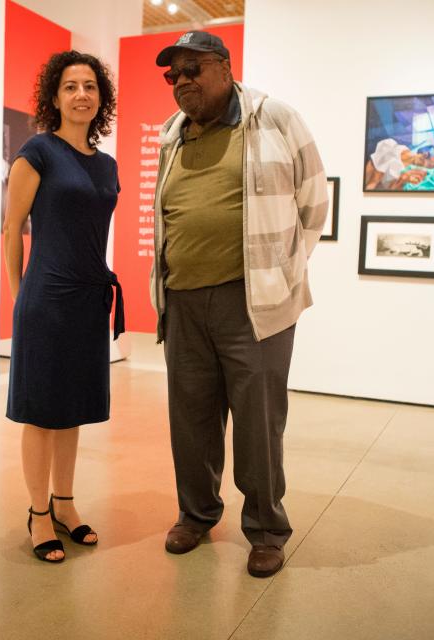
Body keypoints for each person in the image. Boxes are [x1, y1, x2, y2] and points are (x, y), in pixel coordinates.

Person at [150, 31, 329, 578]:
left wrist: (280, 270)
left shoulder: (273, 119)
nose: (182, 81)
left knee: (258, 422)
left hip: (253, 302)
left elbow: (314, 201)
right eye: (172, 74)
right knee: (192, 418)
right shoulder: (171, 134)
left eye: (193, 69)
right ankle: (197, 513)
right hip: (182, 301)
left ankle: (267, 529)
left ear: (224, 68)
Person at [3, 50, 122, 563]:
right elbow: (13, 229)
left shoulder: (108, 164)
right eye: (71, 86)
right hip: (47, 298)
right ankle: (37, 512)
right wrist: (18, 295)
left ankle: (66, 504)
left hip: (88, 300)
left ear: (102, 98)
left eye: (90, 86)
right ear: (55, 96)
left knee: (70, 410)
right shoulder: (38, 152)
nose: (81, 95)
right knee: (42, 411)